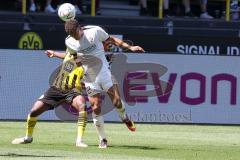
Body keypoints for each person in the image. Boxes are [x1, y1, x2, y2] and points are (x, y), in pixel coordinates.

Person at [64, 20, 145, 148]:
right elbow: (75, 57)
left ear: (80, 28)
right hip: (90, 77)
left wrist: (130, 47)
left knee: (117, 102)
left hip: (105, 73)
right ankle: (102, 139)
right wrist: (80, 72)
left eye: (76, 34)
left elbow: (111, 39)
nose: (75, 37)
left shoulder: (95, 31)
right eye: (72, 35)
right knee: (95, 107)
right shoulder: (69, 41)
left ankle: (124, 117)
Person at [12, 49, 88, 148]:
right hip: (56, 89)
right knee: (34, 111)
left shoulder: (86, 59)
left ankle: (79, 141)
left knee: (82, 105)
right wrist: (55, 54)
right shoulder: (71, 51)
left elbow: (79, 59)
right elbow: (67, 55)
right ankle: (28, 137)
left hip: (72, 90)